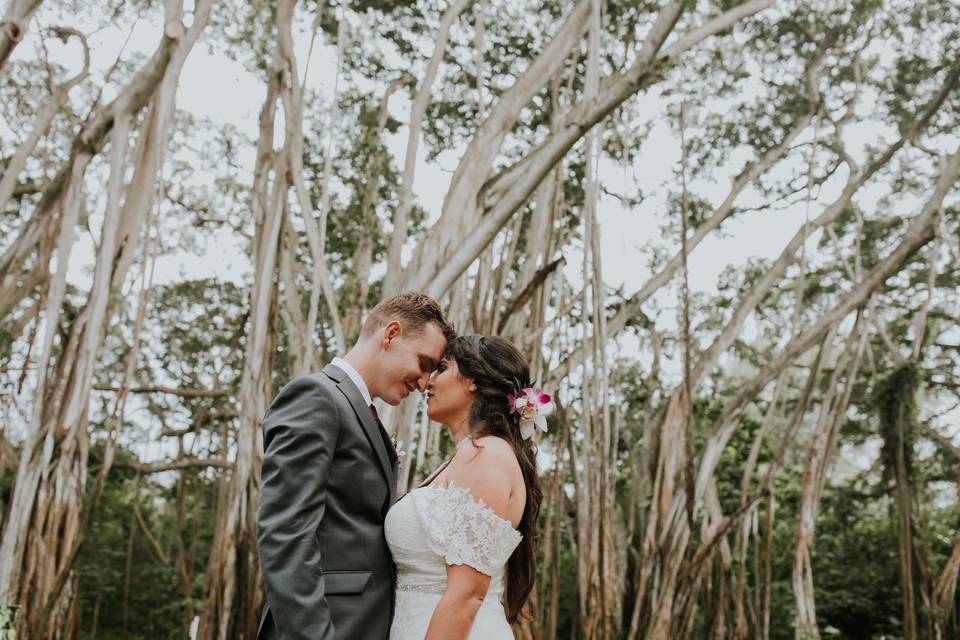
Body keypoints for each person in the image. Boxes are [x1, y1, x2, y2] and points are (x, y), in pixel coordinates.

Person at [256, 292, 456, 640]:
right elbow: (285, 533)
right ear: (391, 334)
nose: (425, 382)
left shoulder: (363, 413)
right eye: (424, 363)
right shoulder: (316, 396)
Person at [385, 334, 549, 639]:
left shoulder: (487, 455)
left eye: (443, 369)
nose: (428, 383)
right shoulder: (467, 456)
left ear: (473, 380)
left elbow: (467, 594)